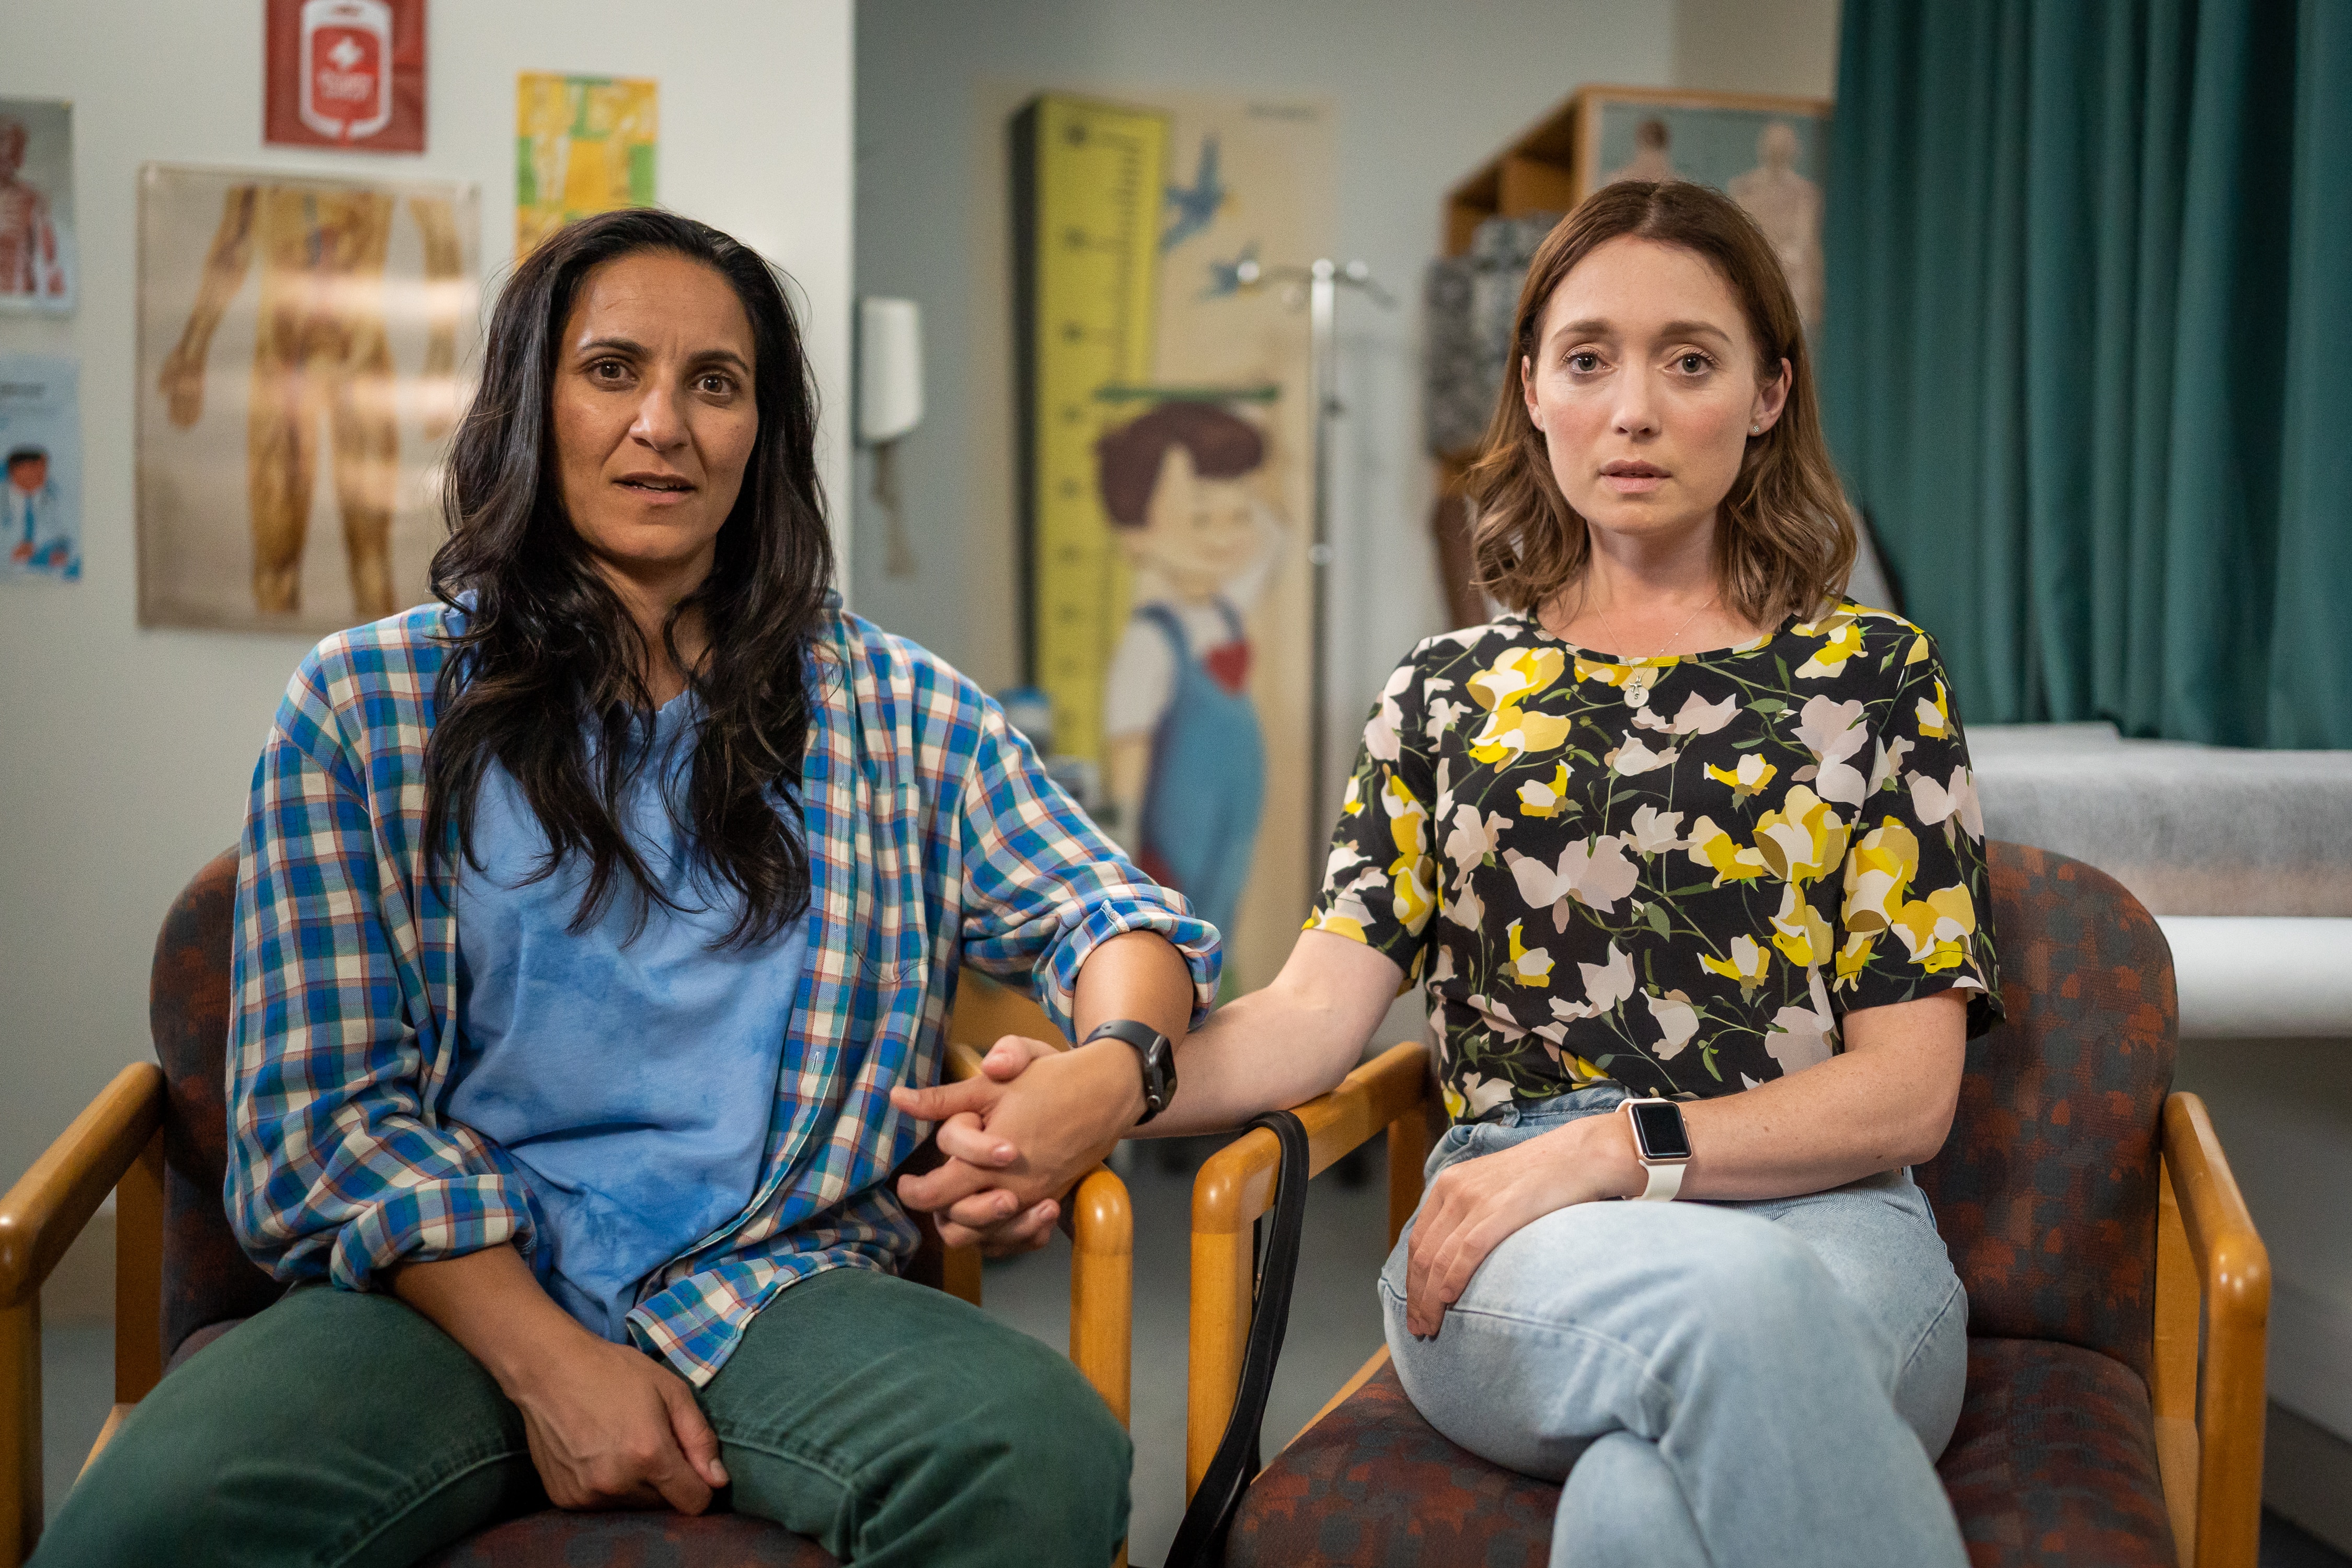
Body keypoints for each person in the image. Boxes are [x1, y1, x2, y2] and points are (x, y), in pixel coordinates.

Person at [36, 209, 1217, 1568]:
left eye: (715, 383)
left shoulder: (892, 706)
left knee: (1036, 1453)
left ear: (760, 432)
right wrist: (550, 1364)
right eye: (612, 370)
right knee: (148, 1527)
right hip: (435, 1297)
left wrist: (1115, 1064)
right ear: (531, 400)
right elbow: (319, 1119)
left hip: (772, 1292)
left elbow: (1116, 914)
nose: (664, 423)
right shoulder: (365, 704)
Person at [915, 179, 1998, 1568]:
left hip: (1833, 1225)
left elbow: (1908, 1092)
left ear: (1768, 392)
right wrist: (1114, 1078)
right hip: (1520, 1243)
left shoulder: (1872, 678)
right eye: (1589, 358)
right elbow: (1313, 1014)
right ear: (1533, 389)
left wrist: (1616, 1149)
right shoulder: (1445, 694)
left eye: (1690, 360)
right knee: (1739, 1320)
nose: (1634, 410)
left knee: (1641, 1504)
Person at [157, 182, 465, 619]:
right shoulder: (257, 175)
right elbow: (232, 246)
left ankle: (374, 686)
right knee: (275, 563)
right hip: (283, 365)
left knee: (371, 565)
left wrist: (441, 355)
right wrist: (191, 351)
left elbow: (440, 230)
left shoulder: (388, 168)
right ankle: (283, 685)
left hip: (358, 362)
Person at [1096, 399, 1283, 949]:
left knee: (1218, 937)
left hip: (1232, 831)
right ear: (1136, 535)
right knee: (1173, 947)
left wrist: (1250, 436)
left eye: (1237, 516)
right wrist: (1124, 856)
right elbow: (1129, 751)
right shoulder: (1150, 642)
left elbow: (1276, 537)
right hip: (1170, 846)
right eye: (1201, 519)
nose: (1224, 536)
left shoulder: (1225, 610)